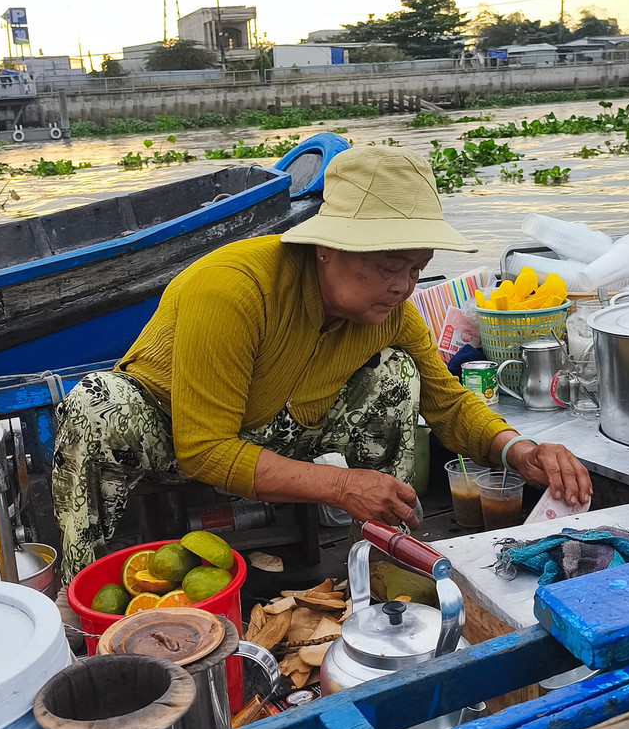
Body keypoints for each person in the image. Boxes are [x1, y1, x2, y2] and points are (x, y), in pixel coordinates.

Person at [51, 145, 593, 577]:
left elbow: (447, 403)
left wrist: (518, 450)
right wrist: (340, 486)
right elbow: (204, 451)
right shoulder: (233, 289)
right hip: (173, 430)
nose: (405, 287)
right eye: (389, 266)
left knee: (397, 378)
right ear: (327, 247)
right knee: (96, 406)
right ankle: (84, 595)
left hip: (283, 428)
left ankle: (383, 559)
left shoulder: (392, 314)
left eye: (416, 269)